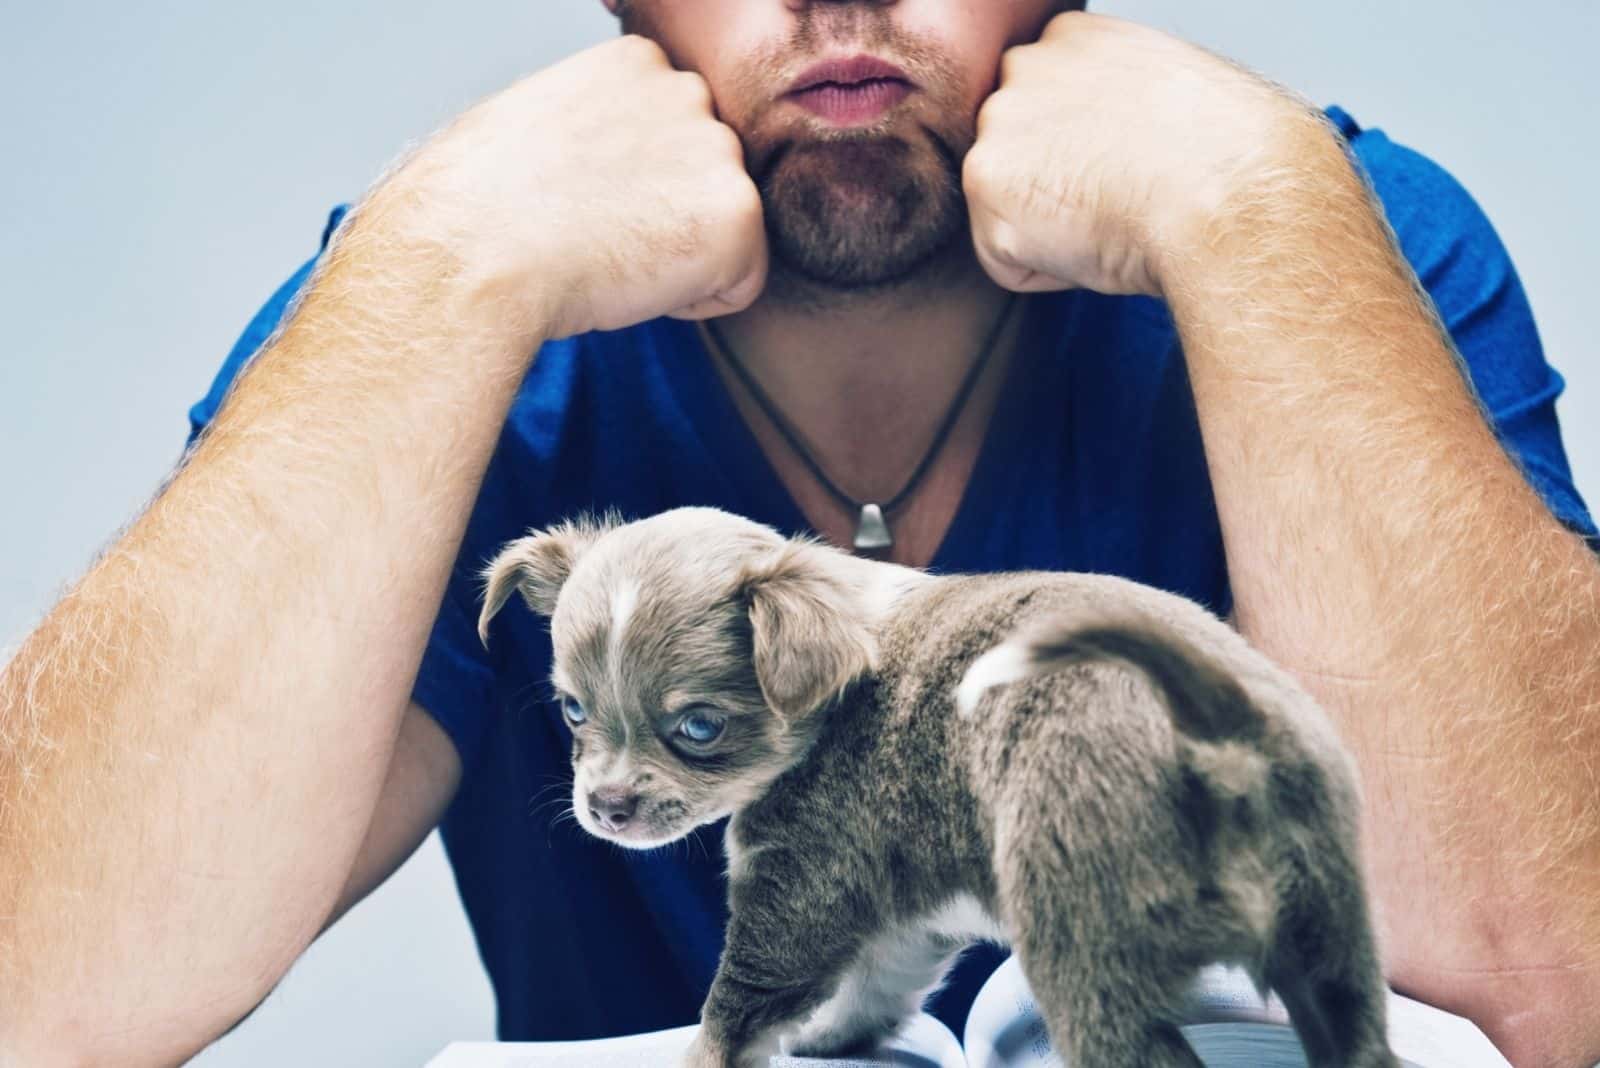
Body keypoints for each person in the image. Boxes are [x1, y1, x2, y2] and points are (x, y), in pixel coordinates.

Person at [2, 2, 1597, 1065]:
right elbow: (42, 995)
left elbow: (1564, 971)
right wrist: (445, 261)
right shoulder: (447, 313)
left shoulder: (1321, 238)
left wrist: (1253, 209)